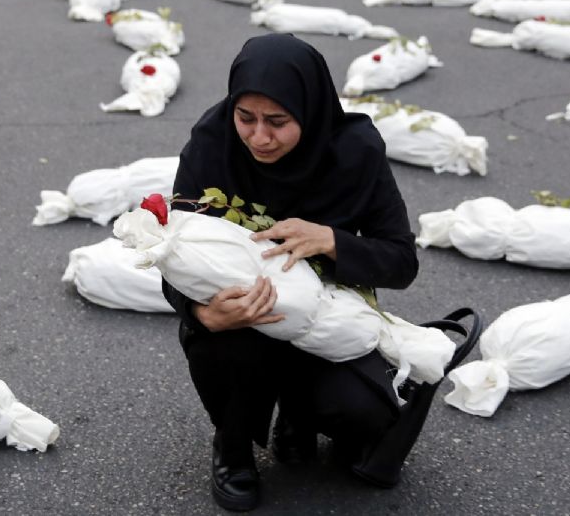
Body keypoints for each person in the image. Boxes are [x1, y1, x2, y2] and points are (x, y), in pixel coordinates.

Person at [162, 33, 421, 512]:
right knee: (226, 346)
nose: (259, 137)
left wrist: (331, 241)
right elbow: (174, 250)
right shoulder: (213, 143)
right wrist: (201, 312)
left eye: (278, 122)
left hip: (327, 317)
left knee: (364, 413)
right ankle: (233, 448)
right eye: (247, 118)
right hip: (246, 324)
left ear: (311, 109)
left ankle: (298, 417)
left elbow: (402, 262)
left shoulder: (355, 151)